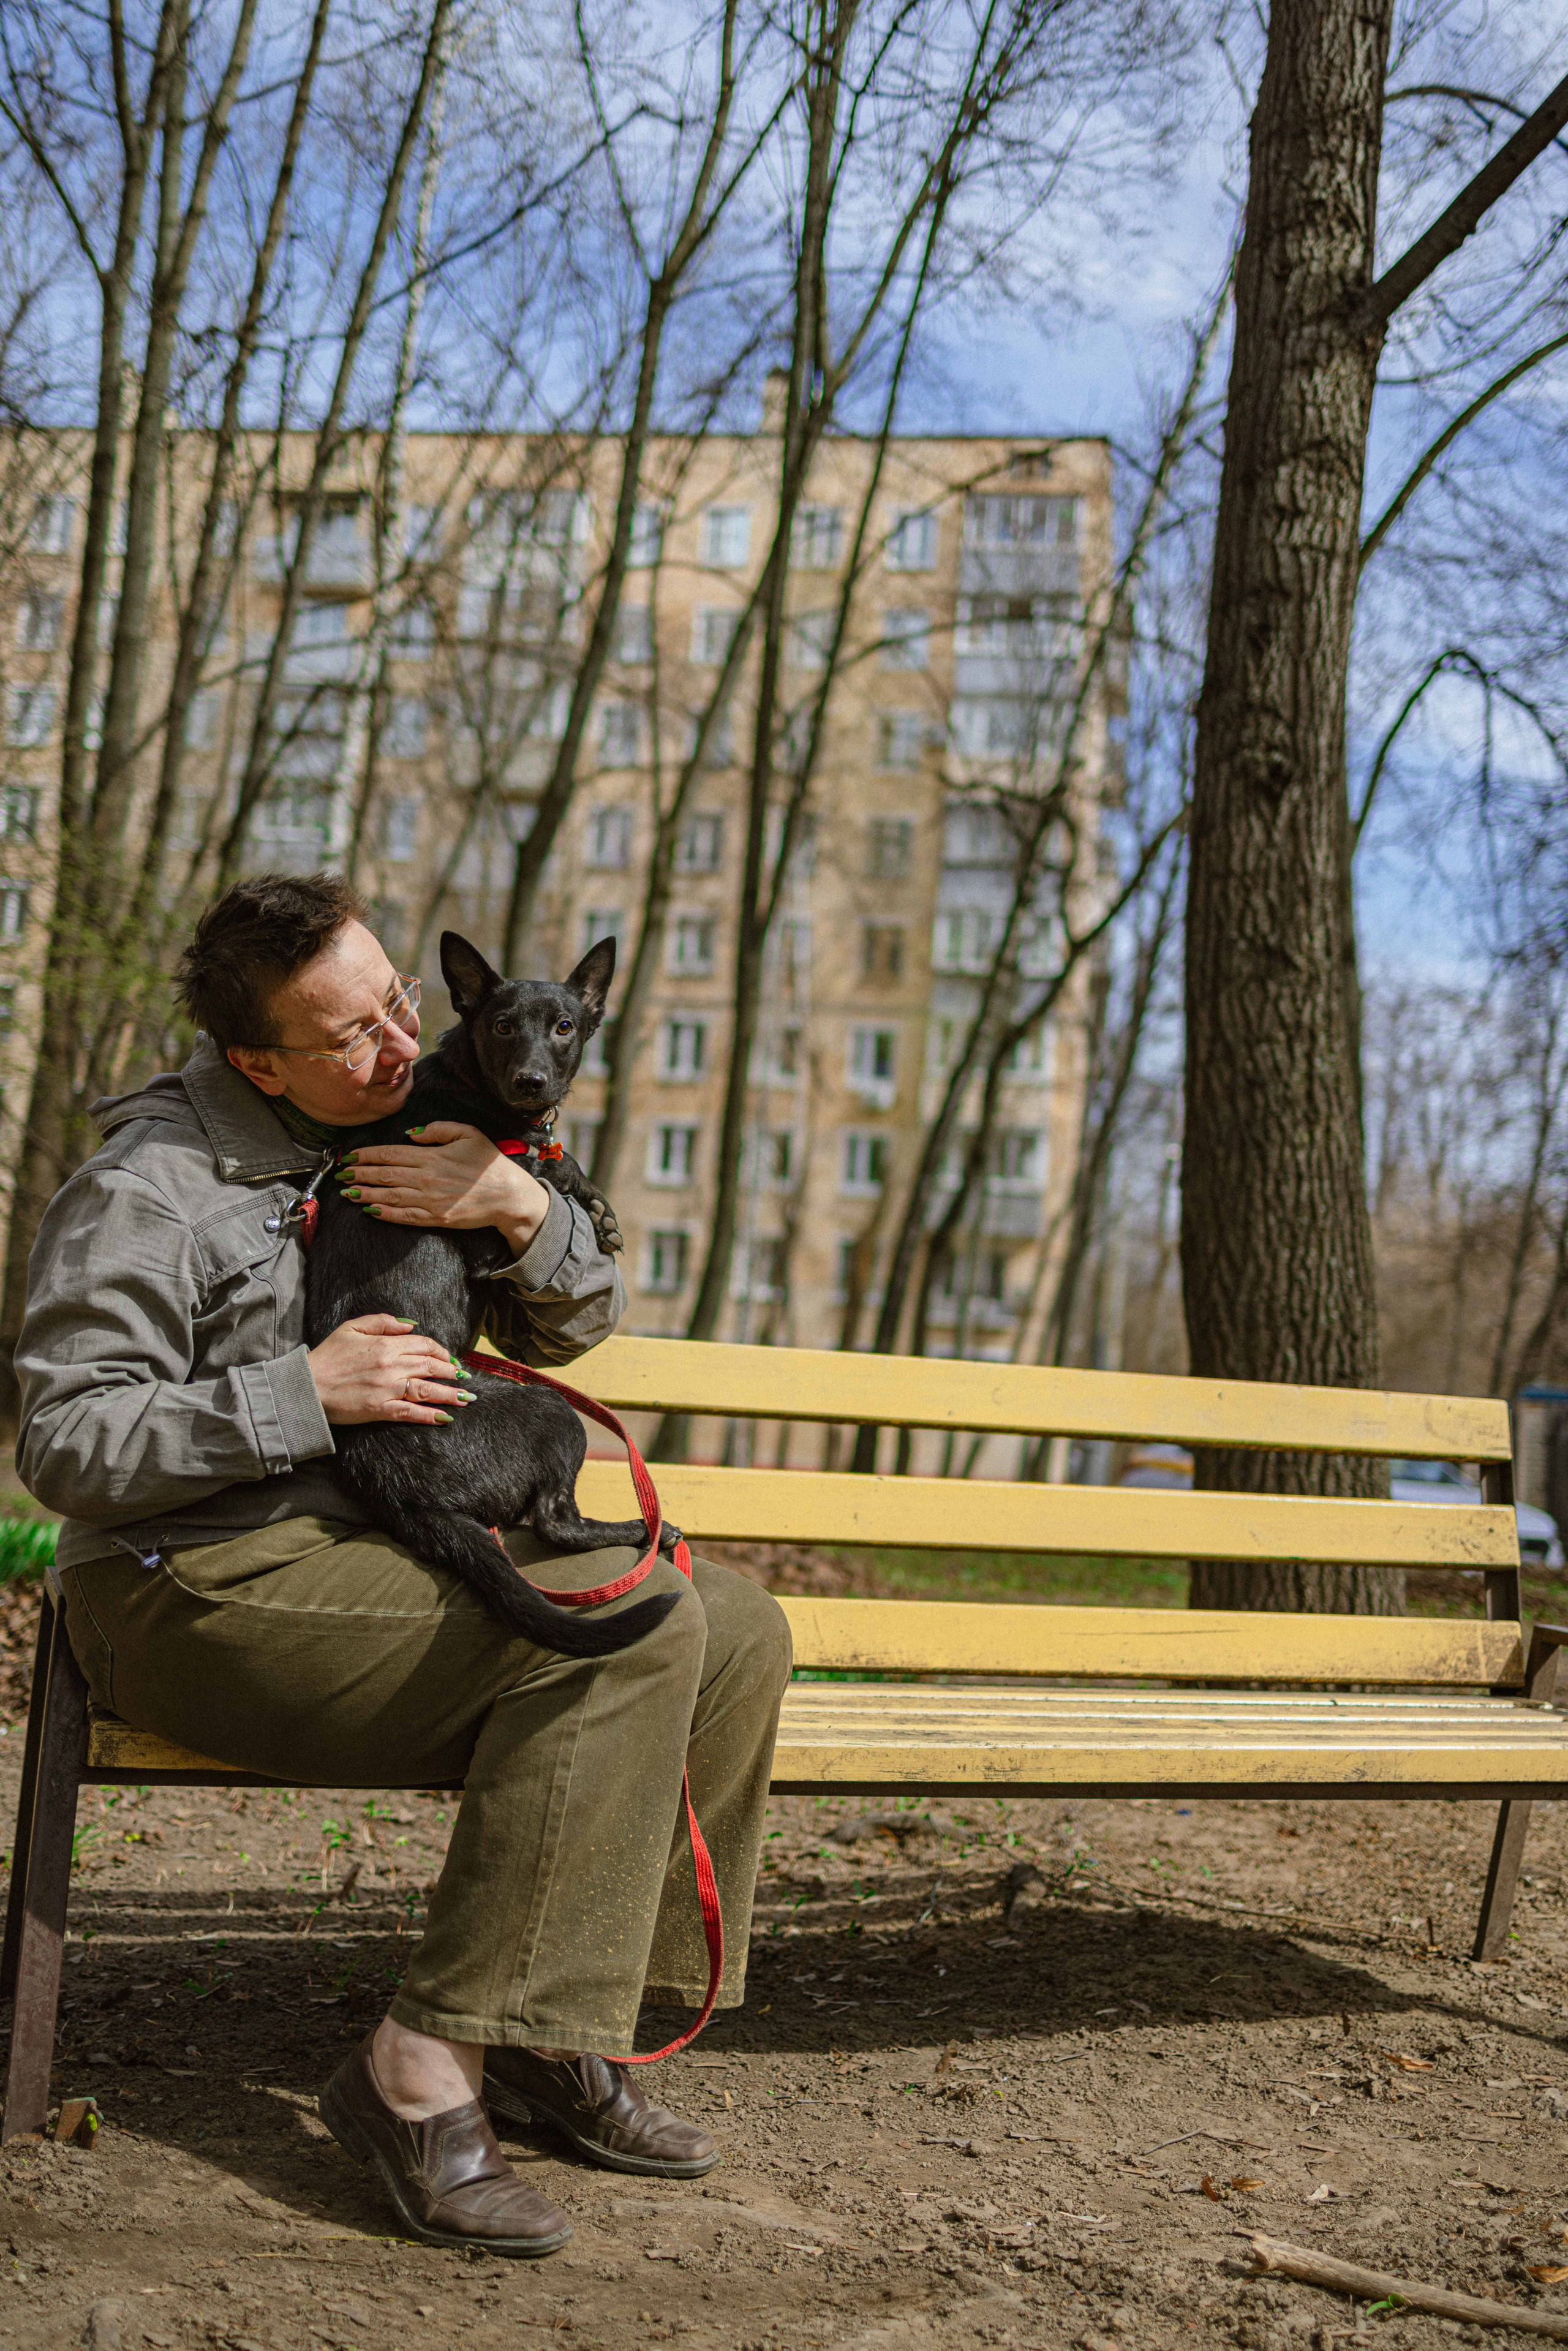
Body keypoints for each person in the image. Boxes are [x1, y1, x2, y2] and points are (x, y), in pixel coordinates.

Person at [15, 874, 791, 2259]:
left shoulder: (429, 1127)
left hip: (374, 1541)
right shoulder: (150, 1183)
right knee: (637, 1622)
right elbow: (65, 1441)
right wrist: (297, 1390)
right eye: (351, 1032)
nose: (394, 1045)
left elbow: (578, 1320)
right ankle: (416, 2071)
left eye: (400, 1005)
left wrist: (512, 1203)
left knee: (734, 1625)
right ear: (259, 1060)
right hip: (196, 1578)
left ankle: (563, 2024)